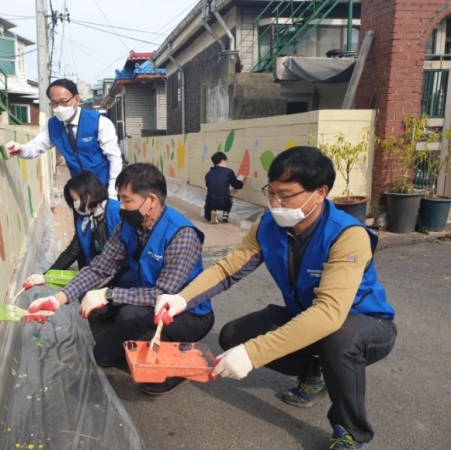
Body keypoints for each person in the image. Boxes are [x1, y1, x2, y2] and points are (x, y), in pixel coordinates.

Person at [154, 147, 397, 448]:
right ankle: (314, 374)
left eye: (287, 195)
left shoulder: (347, 234)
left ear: (320, 192)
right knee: (233, 336)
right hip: (307, 315)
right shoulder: (268, 226)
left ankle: (351, 431)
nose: (275, 203)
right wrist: (181, 298)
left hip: (366, 325)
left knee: (339, 340)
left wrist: (253, 354)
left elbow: (329, 314)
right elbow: (229, 268)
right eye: (271, 193)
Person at [27, 163, 214, 395]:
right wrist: (58, 299)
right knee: (103, 357)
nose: (121, 207)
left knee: (147, 371)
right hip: (152, 309)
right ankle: (155, 343)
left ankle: (179, 364)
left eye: (127, 200)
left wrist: (107, 294)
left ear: (151, 200)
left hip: (188, 315)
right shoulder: (129, 223)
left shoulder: (181, 235)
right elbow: (100, 268)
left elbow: (161, 293)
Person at [21, 171, 130, 322]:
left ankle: (118, 308)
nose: (75, 204)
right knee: (86, 288)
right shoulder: (85, 221)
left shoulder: (117, 213)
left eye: (76, 199)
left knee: (124, 291)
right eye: (72, 200)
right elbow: (73, 251)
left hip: (124, 267)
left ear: (90, 193)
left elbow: (125, 254)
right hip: (103, 267)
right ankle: (112, 309)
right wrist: (46, 276)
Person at [6, 78, 123, 198]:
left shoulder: (99, 122)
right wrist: (21, 149)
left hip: (105, 187)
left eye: (63, 101)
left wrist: (113, 191)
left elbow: (114, 157)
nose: (59, 107)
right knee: (81, 217)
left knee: (109, 217)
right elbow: (35, 147)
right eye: (54, 103)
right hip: (80, 192)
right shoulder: (52, 126)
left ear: (76, 99)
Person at [204, 152, 244, 224]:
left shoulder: (208, 174)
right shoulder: (228, 172)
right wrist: (240, 180)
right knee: (228, 192)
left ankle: (212, 213)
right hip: (224, 202)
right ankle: (225, 213)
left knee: (213, 193)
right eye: (226, 161)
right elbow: (237, 186)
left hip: (210, 203)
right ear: (222, 161)